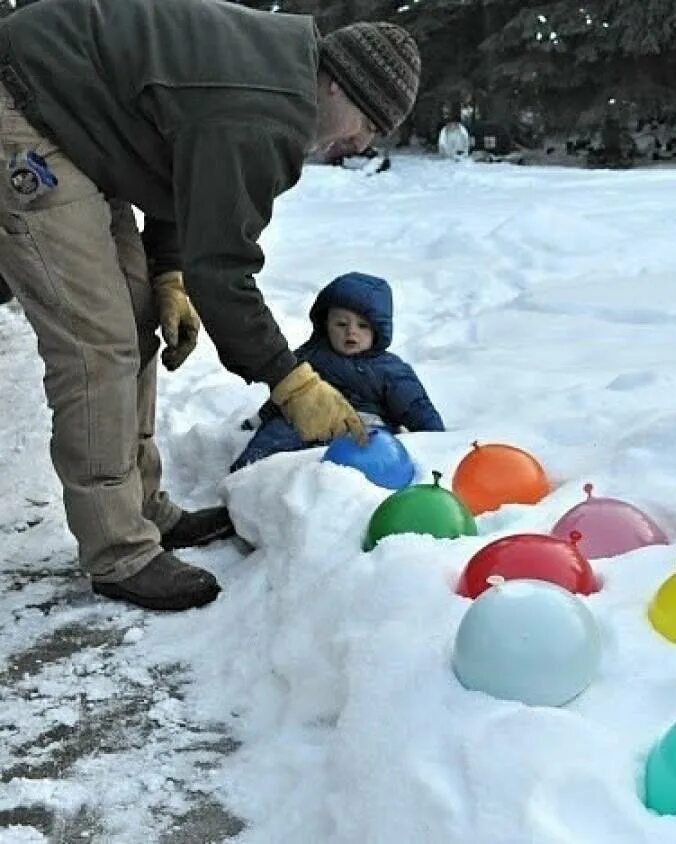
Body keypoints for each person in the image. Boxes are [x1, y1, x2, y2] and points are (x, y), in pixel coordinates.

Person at [0, 0, 421, 611]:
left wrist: (167, 272)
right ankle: (119, 552)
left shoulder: (272, 82)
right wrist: (291, 381)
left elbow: (179, 170)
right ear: (336, 83)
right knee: (98, 342)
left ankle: (140, 507)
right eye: (368, 120)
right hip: (26, 107)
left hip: (77, 122)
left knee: (137, 317)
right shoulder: (263, 109)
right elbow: (222, 268)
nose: (360, 141)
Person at [232, 272, 443, 470]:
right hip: (310, 420)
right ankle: (248, 475)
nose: (351, 331)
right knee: (277, 432)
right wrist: (261, 418)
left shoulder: (390, 370)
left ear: (378, 330)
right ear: (326, 325)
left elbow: (415, 406)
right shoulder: (310, 355)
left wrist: (437, 441)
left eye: (363, 326)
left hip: (362, 428)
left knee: (373, 448)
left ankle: (355, 490)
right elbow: (288, 390)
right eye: (341, 324)